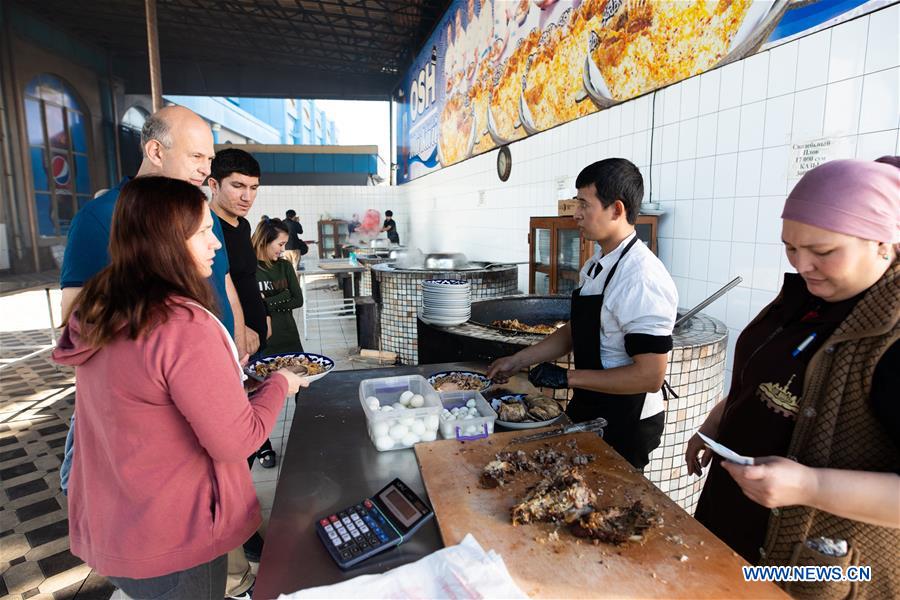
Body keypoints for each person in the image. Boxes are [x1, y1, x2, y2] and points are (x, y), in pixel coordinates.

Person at [52, 176, 306, 600]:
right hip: (173, 536)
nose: (217, 244)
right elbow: (237, 440)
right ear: (167, 240)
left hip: (115, 522)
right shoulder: (180, 325)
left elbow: (147, 400)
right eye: (204, 231)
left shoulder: (104, 307)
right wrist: (281, 383)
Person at [686, 158, 899, 598]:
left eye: (823, 252)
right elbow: (764, 378)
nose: (804, 265)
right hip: (732, 524)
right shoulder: (805, 300)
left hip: (813, 565)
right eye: (791, 248)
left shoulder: (891, 339)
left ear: (884, 242)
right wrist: (715, 423)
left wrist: (809, 485)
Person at [487, 158, 677, 470]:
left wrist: (566, 377)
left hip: (626, 417)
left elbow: (650, 376)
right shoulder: (597, 265)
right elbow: (579, 329)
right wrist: (519, 360)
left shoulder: (641, 278)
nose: (576, 214)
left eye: (584, 204)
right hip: (593, 402)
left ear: (616, 210)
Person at [208, 148, 279, 470]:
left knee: (253, 407)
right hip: (232, 340)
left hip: (254, 335)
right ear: (213, 184)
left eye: (253, 188)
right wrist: (239, 330)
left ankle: (258, 449)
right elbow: (218, 286)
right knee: (233, 430)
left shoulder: (242, 224)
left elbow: (247, 277)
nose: (247, 196)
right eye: (237, 186)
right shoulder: (207, 228)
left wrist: (263, 316)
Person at [253, 218, 305, 355]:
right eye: (281, 244)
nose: (283, 249)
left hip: (288, 335)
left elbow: (298, 300)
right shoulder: (249, 269)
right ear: (265, 241)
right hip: (263, 340)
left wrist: (265, 303)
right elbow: (249, 308)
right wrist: (284, 295)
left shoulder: (284, 266)